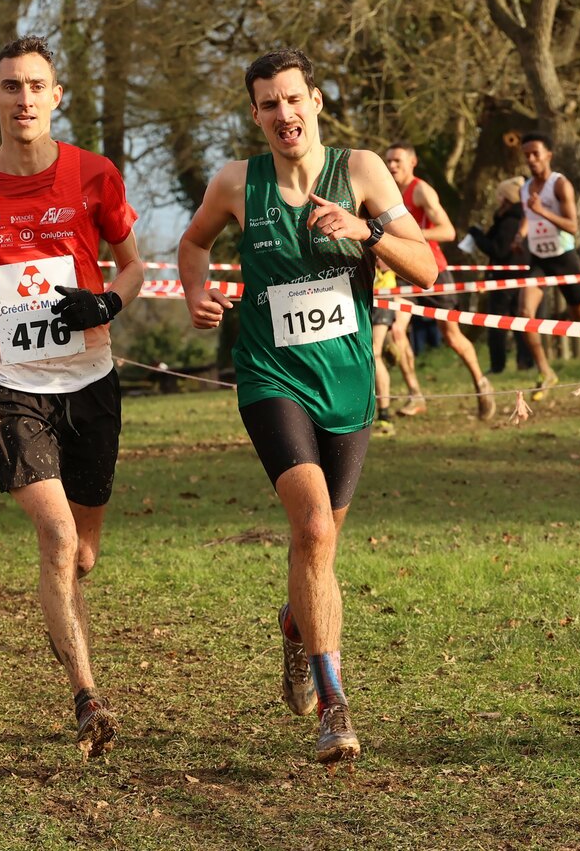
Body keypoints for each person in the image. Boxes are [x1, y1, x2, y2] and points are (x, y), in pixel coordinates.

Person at [178, 48, 438, 765]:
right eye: (269, 103)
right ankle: (335, 704)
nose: (284, 113)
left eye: (293, 99)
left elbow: (426, 266)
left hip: (348, 384)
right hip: (270, 378)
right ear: (255, 114)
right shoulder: (237, 182)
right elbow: (194, 243)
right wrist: (197, 292)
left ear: (315, 102)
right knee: (314, 527)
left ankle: (297, 625)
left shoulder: (362, 172)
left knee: (318, 546)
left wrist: (367, 231)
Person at [0, 35, 142, 759]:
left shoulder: (94, 174)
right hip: (11, 388)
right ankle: (86, 694)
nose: (24, 99)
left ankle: (66, 627)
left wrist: (107, 301)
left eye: (37, 86)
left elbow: (133, 267)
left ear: (57, 96)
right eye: (11, 86)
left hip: (91, 383)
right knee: (57, 536)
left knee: (84, 556)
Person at [381, 144, 497, 419]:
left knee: (452, 336)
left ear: (412, 162)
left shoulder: (421, 190)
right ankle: (415, 394)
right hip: (403, 271)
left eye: (397, 160)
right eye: (388, 161)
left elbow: (447, 231)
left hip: (432, 270)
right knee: (397, 331)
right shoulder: (386, 193)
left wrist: (409, 235)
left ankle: (481, 383)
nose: (392, 166)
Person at [513, 133, 580, 407]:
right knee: (524, 314)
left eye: (535, 153)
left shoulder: (560, 184)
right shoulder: (525, 188)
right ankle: (546, 372)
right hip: (539, 259)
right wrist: (519, 236)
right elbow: (528, 216)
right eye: (526, 155)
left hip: (564, 258)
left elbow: (573, 226)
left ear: (548, 155)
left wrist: (543, 211)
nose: (531, 159)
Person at [467, 176, 534, 374]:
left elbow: (498, 250)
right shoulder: (516, 218)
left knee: (497, 323)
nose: (497, 199)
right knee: (519, 322)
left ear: (507, 197)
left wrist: (477, 236)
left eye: (500, 195)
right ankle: (525, 361)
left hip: (505, 279)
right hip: (517, 277)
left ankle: (499, 364)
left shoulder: (510, 222)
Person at [368, 257, 423, 430]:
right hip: (364, 296)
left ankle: (384, 414)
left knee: (374, 353)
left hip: (383, 295)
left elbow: (388, 261)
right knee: (372, 352)